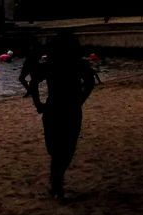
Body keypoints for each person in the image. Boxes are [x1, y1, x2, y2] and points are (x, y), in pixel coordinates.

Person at [30, 34, 97, 200]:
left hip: (53, 108)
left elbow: (33, 83)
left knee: (56, 149)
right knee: (66, 149)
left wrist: (38, 104)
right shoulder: (78, 63)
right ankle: (56, 183)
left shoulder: (50, 64)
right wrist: (80, 99)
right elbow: (90, 82)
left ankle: (56, 184)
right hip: (71, 108)